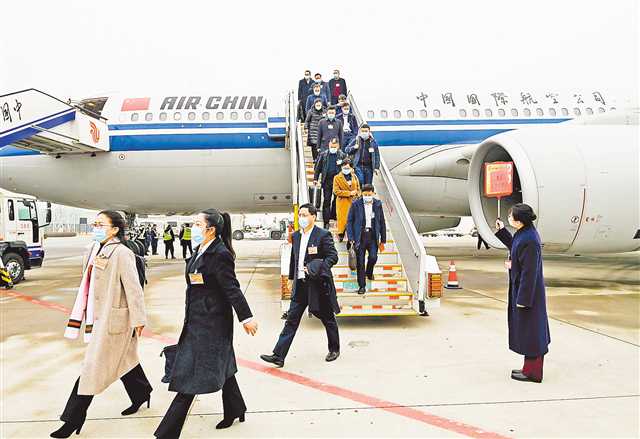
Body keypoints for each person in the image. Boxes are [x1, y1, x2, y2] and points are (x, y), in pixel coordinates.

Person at [155, 209, 258, 438]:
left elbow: (232, 288)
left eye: (197, 224)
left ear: (210, 230)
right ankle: (236, 408)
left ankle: (165, 434)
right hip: (196, 319)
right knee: (224, 366)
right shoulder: (199, 250)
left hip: (212, 324)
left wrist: (246, 317)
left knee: (189, 378)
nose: (193, 228)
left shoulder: (220, 254)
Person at [50, 211, 151, 438]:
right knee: (124, 359)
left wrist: (139, 319)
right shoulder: (93, 249)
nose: (95, 227)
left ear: (114, 230)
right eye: (94, 223)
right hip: (97, 316)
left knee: (92, 368)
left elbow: (134, 288)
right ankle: (142, 393)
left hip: (114, 319)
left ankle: (72, 419)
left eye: (100, 224)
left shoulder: (122, 253)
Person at [260, 204, 340, 368]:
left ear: (313, 217)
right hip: (300, 286)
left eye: (304, 215)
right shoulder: (296, 236)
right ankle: (279, 355)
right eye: (300, 215)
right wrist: (291, 278)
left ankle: (334, 349)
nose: (301, 218)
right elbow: (294, 259)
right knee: (291, 320)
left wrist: (316, 267)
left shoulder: (323, 235)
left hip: (317, 285)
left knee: (327, 318)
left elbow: (333, 257)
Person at [494, 204, 550, 383]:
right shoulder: (524, 233)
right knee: (527, 331)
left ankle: (533, 373)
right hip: (522, 290)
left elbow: (529, 272)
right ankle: (528, 369)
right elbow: (515, 247)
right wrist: (502, 231)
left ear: (519, 220)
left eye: (511, 217)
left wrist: (523, 299)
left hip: (528, 294)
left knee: (532, 332)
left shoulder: (530, 239)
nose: (509, 218)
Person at [346, 184, 387, 294]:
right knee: (360, 262)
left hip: (373, 236)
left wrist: (383, 240)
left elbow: (382, 222)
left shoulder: (378, 204)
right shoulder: (355, 204)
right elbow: (349, 221)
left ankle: (369, 272)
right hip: (360, 237)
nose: (367, 196)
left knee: (373, 257)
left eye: (369, 194)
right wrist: (351, 237)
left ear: (373, 193)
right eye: (365, 195)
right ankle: (362, 286)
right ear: (361, 194)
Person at [314, 138, 347, 229]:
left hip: (338, 181)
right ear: (329, 145)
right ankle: (326, 222)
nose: (333, 148)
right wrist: (315, 178)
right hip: (327, 180)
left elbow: (347, 167)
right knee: (326, 200)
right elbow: (318, 167)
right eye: (331, 146)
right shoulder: (323, 154)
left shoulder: (342, 155)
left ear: (338, 146)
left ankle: (333, 215)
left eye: (334, 147)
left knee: (336, 200)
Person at [333, 159, 361, 241]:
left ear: (351, 168)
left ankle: (351, 237)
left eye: (348, 168)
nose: (346, 169)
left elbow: (358, 188)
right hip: (342, 202)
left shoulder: (354, 176)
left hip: (353, 202)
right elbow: (336, 191)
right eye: (344, 168)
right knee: (342, 220)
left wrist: (358, 194)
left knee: (353, 220)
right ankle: (341, 234)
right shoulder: (337, 177)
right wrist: (349, 193)